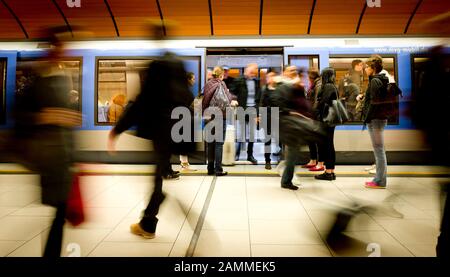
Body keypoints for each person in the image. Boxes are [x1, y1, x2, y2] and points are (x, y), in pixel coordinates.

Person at [107, 22, 195, 239]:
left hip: (161, 129)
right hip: (179, 128)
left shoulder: (156, 66)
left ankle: (149, 222)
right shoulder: (179, 65)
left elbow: (143, 101)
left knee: (157, 176)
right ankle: (149, 219)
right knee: (159, 173)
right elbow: (186, 98)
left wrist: (118, 129)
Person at [14, 27, 82, 257]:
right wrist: (46, 116)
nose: (64, 52)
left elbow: (63, 119)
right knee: (60, 209)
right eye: (60, 47)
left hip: (62, 155)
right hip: (50, 157)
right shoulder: (38, 79)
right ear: (51, 48)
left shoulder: (61, 77)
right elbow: (20, 116)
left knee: (60, 211)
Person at [202, 66, 238, 176]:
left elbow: (204, 100)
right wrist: (233, 101)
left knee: (210, 144)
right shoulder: (221, 84)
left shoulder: (208, 84)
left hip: (208, 116)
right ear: (221, 75)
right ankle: (218, 169)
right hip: (219, 116)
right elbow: (225, 100)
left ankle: (210, 169)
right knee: (218, 144)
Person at [362, 55, 389, 189]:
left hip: (375, 119)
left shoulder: (374, 81)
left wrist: (367, 117)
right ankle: (379, 179)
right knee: (380, 150)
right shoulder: (380, 79)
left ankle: (380, 181)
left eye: (366, 67)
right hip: (379, 118)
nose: (365, 69)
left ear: (373, 68)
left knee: (378, 151)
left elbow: (374, 102)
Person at [231, 63, 261, 164]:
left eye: (255, 72)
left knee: (252, 135)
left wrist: (257, 114)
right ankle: (237, 154)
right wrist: (234, 100)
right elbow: (231, 92)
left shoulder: (257, 82)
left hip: (253, 110)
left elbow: (258, 98)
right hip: (242, 110)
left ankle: (250, 155)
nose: (253, 74)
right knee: (241, 134)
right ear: (247, 70)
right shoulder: (239, 80)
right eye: (252, 71)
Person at [313, 67, 338, 181]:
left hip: (326, 120)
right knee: (329, 145)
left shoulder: (327, 87)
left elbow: (323, 103)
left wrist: (316, 111)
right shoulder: (333, 86)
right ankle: (331, 171)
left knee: (327, 145)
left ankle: (328, 172)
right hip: (330, 120)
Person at [302, 69, 321, 169]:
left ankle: (317, 161)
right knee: (310, 139)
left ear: (312, 77)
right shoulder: (313, 85)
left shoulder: (318, 85)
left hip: (314, 117)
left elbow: (316, 101)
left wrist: (311, 113)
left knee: (315, 140)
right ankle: (313, 160)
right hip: (310, 115)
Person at [258, 71, 278, 170]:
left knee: (280, 138)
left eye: (272, 77)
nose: (270, 79)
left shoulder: (279, 89)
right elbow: (262, 103)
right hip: (267, 117)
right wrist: (260, 115)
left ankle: (281, 159)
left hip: (278, 116)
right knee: (268, 139)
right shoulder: (264, 89)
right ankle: (267, 161)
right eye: (268, 77)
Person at [179, 72, 198, 172]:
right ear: (189, 79)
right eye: (193, 79)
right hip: (183, 120)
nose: (194, 81)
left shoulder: (183, 90)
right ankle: (184, 164)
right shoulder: (185, 92)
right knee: (184, 141)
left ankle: (184, 163)